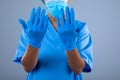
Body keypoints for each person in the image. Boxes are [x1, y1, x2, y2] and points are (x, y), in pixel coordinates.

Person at [13, 0, 93, 80]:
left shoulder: (80, 28)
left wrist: (70, 44)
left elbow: (78, 69)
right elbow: (28, 67)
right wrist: (34, 42)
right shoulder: (32, 28)